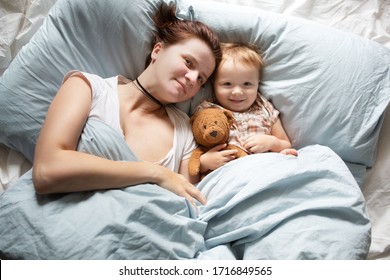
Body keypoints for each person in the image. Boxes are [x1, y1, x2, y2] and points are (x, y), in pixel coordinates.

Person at [32, 4, 222, 208]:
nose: (193, 78)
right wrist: (155, 173)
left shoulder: (184, 130)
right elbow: (46, 171)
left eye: (201, 79)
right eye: (188, 62)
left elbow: (188, 205)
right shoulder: (88, 88)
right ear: (157, 50)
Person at [198, 43, 297, 174]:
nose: (237, 92)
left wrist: (272, 143)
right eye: (227, 84)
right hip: (231, 174)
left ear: (258, 84)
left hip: (266, 169)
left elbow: (286, 143)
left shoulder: (264, 108)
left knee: (289, 157)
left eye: (247, 84)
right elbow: (192, 154)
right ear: (214, 84)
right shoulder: (208, 111)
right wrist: (205, 162)